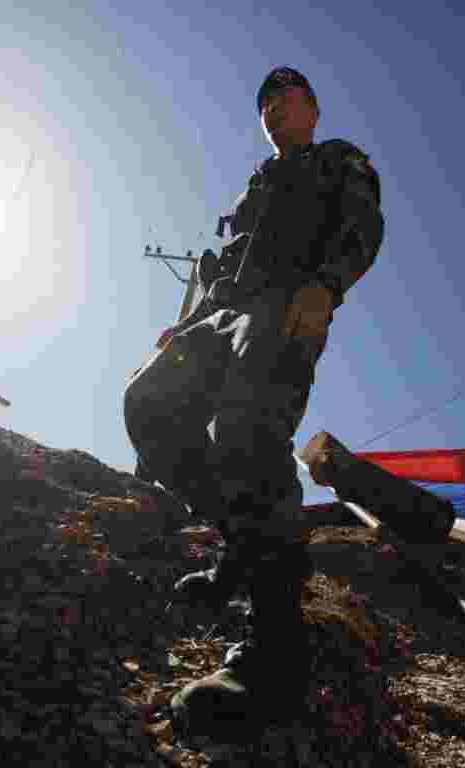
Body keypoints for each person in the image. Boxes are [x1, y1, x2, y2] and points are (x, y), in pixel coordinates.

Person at [123, 66, 384, 738]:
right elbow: (228, 261)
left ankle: (276, 653)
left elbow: (362, 223)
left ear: (313, 108)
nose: (271, 108)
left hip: (287, 306)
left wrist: (328, 285)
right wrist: (185, 326)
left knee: (247, 434)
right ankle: (244, 544)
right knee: (149, 403)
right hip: (222, 313)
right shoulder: (257, 183)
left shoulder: (338, 160)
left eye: (284, 97)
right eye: (264, 102)